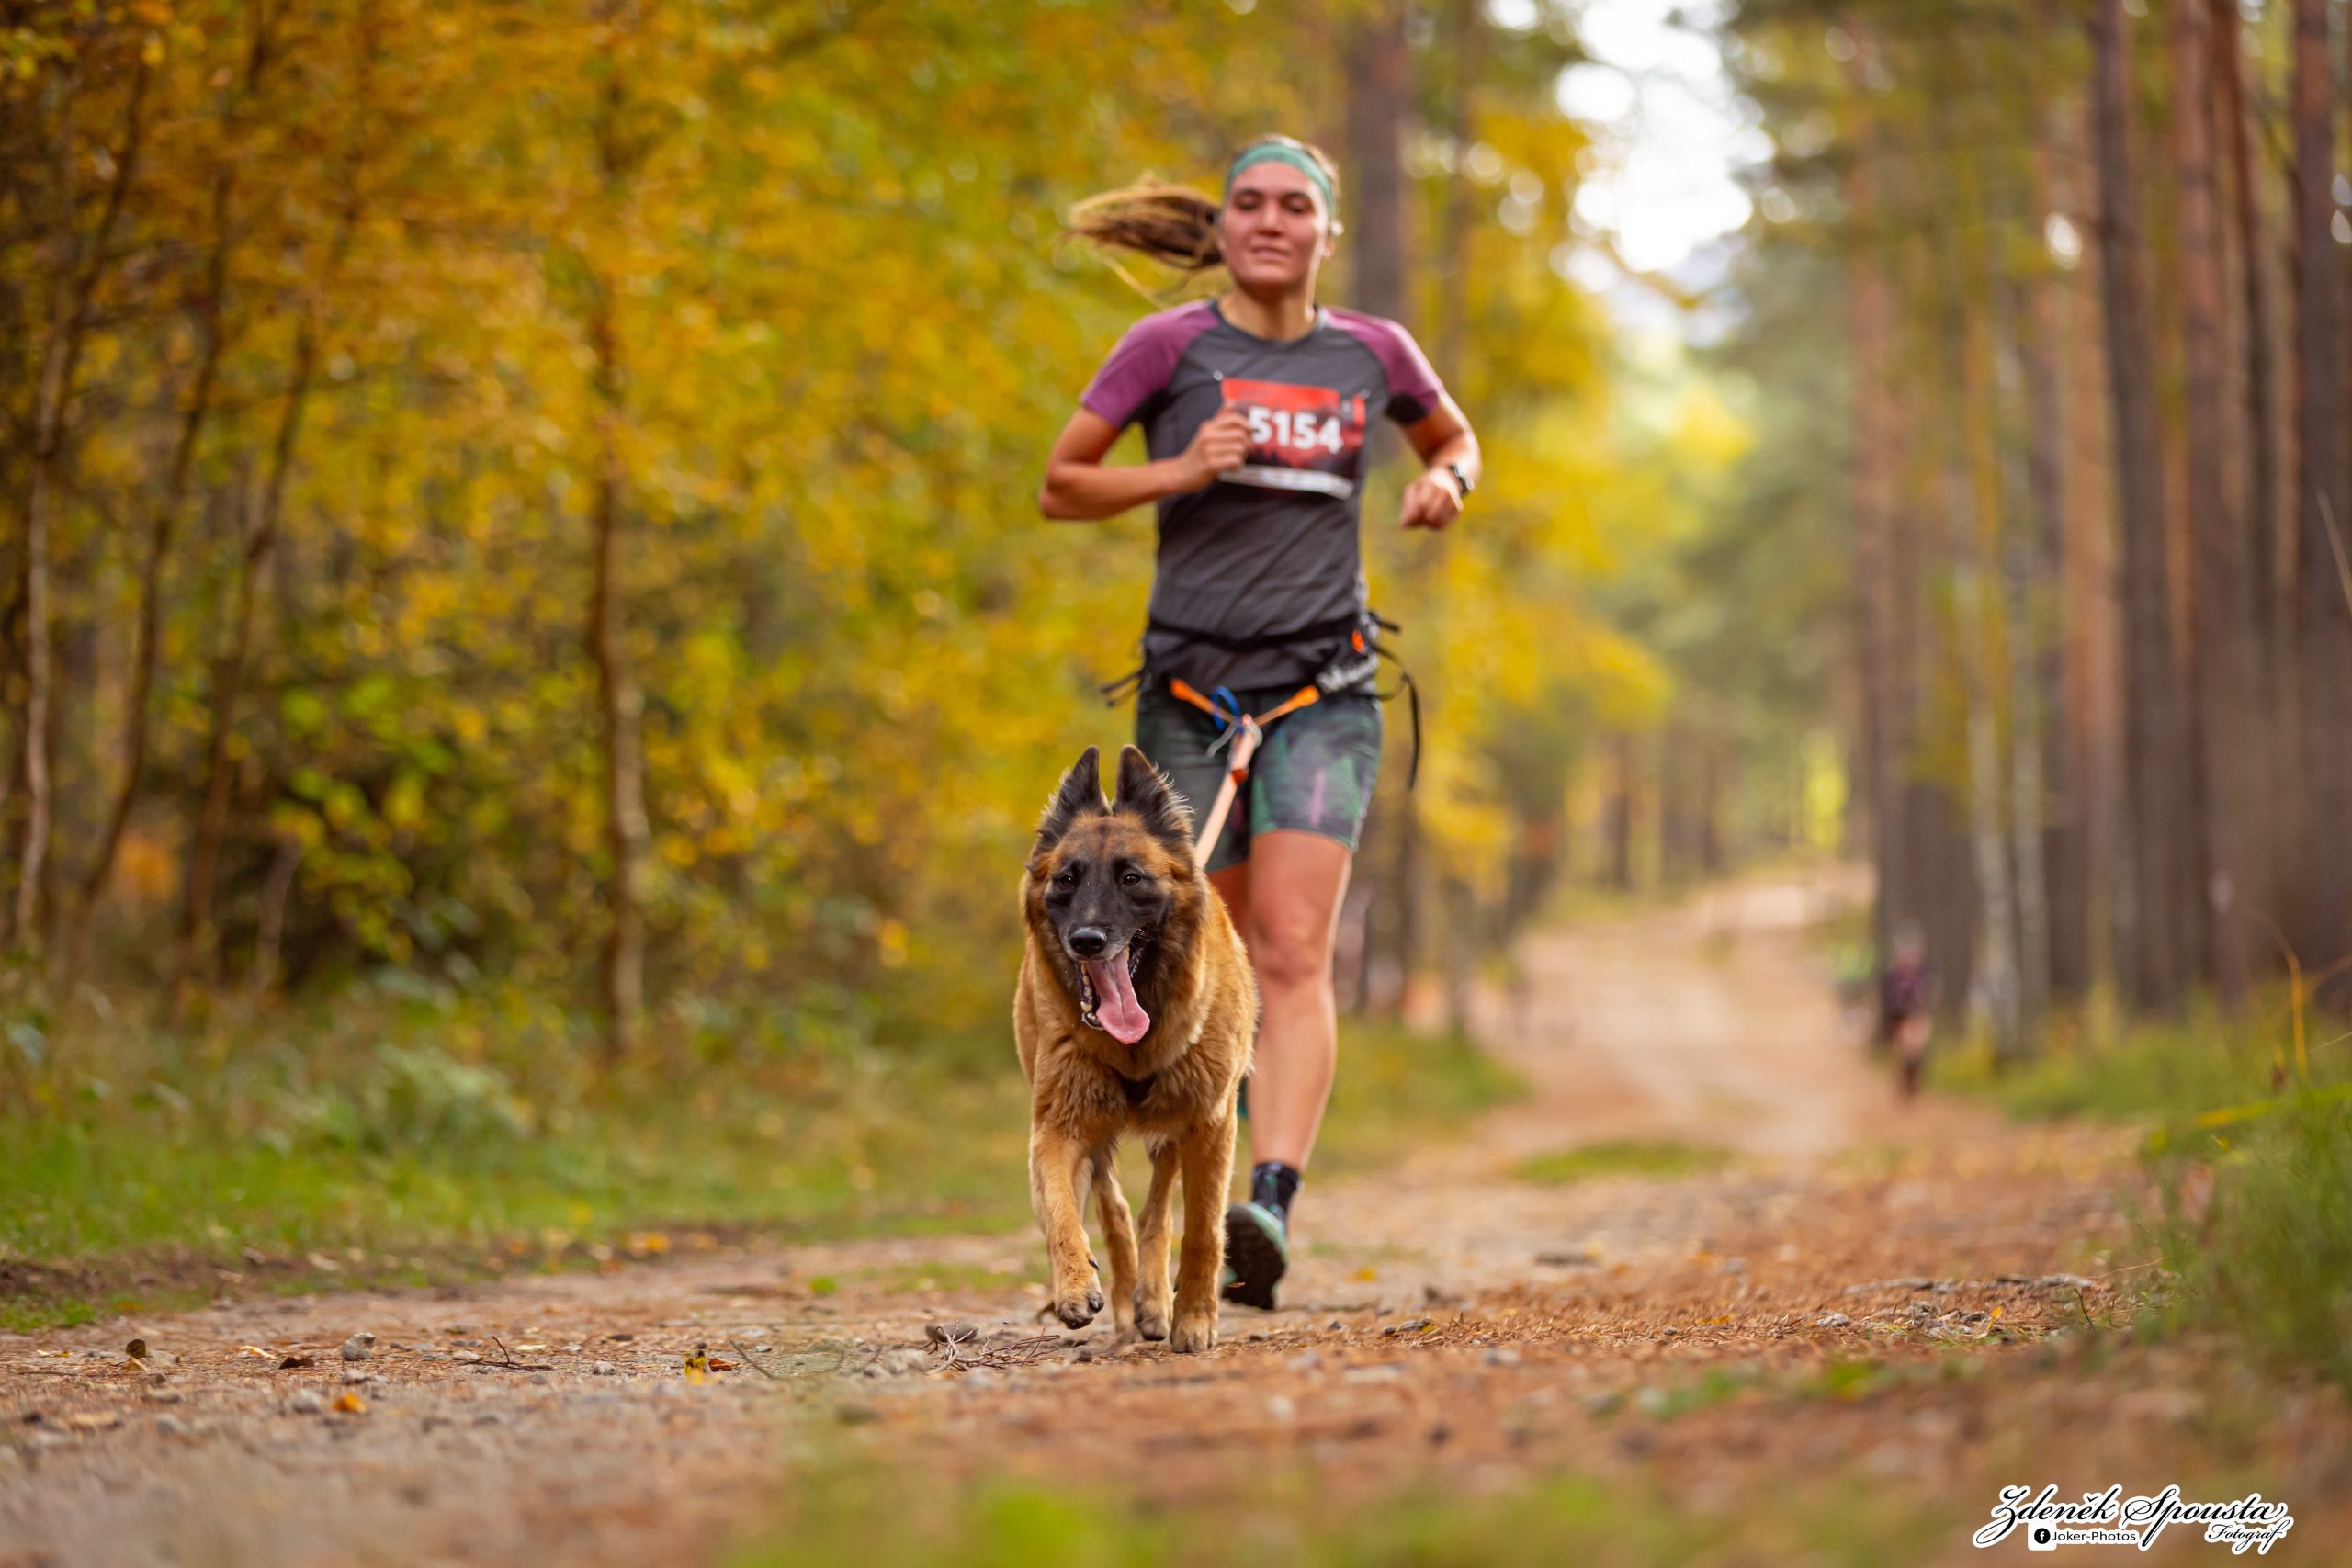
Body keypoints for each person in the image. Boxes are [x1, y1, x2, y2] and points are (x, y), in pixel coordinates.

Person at [1038, 135, 1480, 1309]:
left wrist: (1446, 482)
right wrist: (1177, 470)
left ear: (1326, 231)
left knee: (1289, 949)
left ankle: (1265, 1206)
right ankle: (1202, 1191)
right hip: (1186, 701)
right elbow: (1061, 482)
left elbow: (1451, 435)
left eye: (1295, 206)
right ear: (1223, 227)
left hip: (1323, 698)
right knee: (1201, 957)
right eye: (1250, 204)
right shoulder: (1166, 348)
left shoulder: (1372, 352)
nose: (1271, 221)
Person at [1876, 919, 1937, 1098]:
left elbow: (1932, 992)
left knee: (1916, 1049)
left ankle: (1913, 1084)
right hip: (1899, 1017)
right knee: (1904, 1051)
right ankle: (1904, 1085)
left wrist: (1923, 1005)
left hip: (1917, 1015)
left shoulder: (1923, 973)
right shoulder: (1892, 975)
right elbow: (1888, 1001)